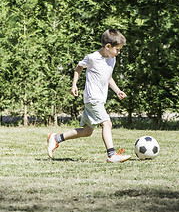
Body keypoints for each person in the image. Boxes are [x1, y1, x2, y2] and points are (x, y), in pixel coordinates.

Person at [47, 29, 131, 163]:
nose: (118, 53)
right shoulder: (92, 57)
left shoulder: (111, 60)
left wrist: (117, 90)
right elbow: (79, 67)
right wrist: (74, 84)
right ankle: (112, 154)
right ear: (108, 46)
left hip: (99, 99)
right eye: (118, 49)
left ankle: (56, 138)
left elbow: (108, 77)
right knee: (107, 123)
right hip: (93, 98)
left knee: (87, 131)